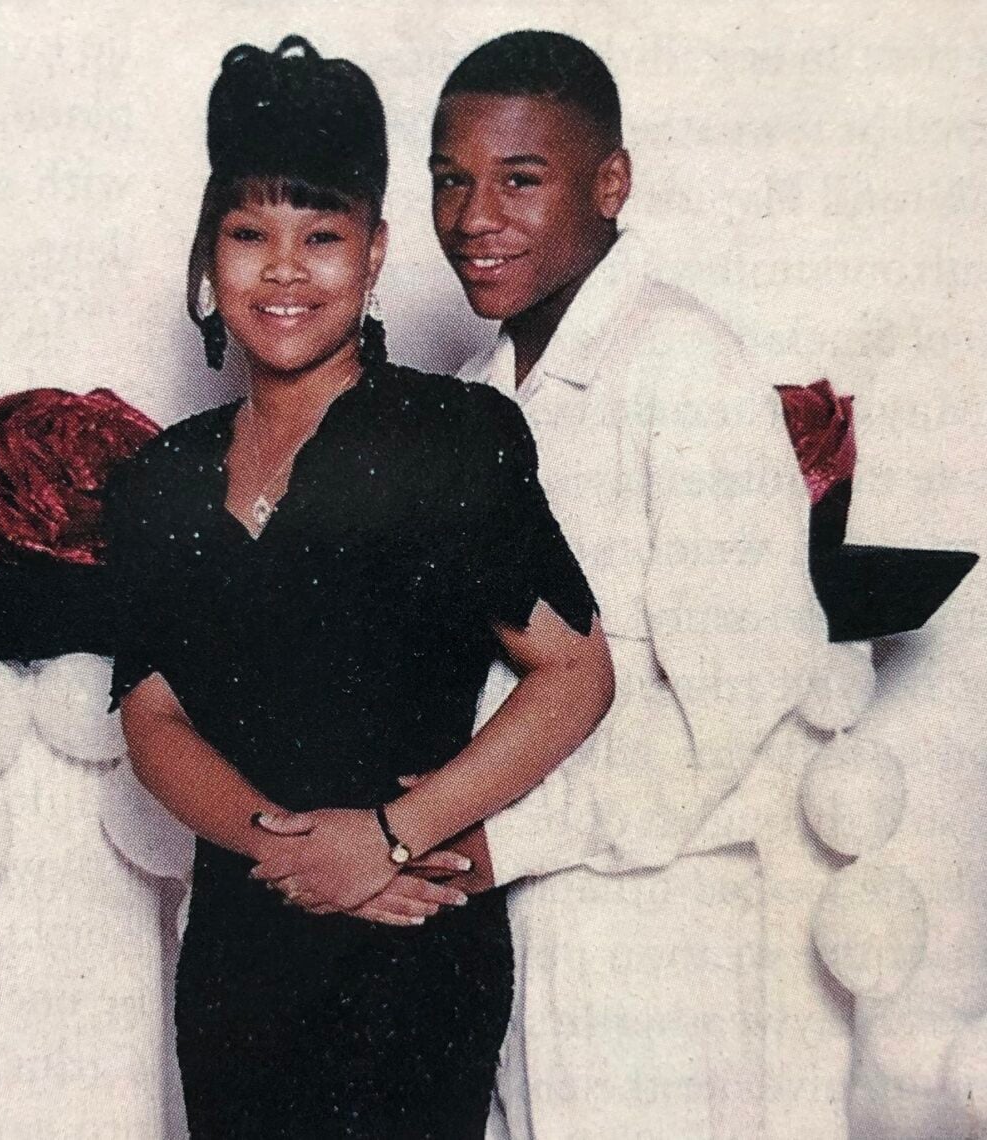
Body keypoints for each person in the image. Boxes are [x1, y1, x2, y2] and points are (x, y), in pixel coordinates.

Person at [102, 36, 614, 1140]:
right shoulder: (159, 481)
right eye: (249, 236)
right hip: (243, 949)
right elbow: (152, 711)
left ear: (376, 251)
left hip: (410, 952)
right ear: (209, 253)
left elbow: (574, 672)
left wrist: (386, 836)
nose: (284, 271)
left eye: (321, 236)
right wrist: (290, 852)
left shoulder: (447, 438)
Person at [426, 31, 832, 1140]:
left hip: (647, 915)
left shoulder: (682, 365)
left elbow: (737, 695)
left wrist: (514, 838)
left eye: (519, 178)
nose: (473, 218)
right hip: (506, 908)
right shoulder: (476, 391)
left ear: (612, 183)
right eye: (450, 179)